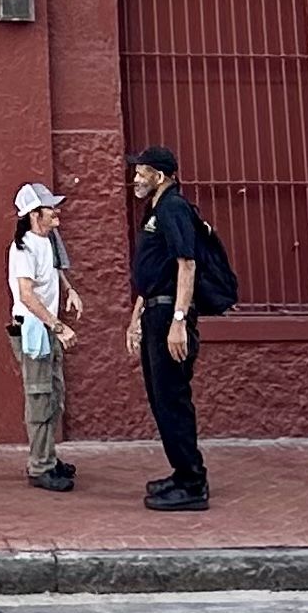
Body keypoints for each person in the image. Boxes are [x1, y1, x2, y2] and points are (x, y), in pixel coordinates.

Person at [124, 145, 208, 510]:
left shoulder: (172, 208)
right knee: (161, 400)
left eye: (141, 173)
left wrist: (177, 322)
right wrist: (135, 319)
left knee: (172, 399)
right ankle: (181, 472)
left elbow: (185, 265)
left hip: (168, 317)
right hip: (154, 314)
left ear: (160, 176)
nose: (135, 180)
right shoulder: (155, 210)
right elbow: (153, 273)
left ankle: (192, 484)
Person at [7, 183, 81, 491]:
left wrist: (70, 290)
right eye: (50, 207)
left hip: (47, 329)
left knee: (53, 396)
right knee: (39, 398)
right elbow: (26, 295)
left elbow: (54, 270)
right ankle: (40, 467)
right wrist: (58, 326)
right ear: (35, 214)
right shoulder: (22, 248)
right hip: (35, 330)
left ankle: (48, 456)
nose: (57, 211)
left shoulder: (47, 240)